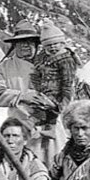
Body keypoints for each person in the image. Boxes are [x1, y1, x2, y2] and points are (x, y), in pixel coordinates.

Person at [29, 22, 81, 164]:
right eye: (48, 45)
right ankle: (38, 130)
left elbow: (67, 82)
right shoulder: (43, 57)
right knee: (38, 109)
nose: (52, 48)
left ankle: (50, 131)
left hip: (58, 93)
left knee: (52, 112)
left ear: (62, 43)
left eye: (55, 44)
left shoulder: (66, 60)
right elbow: (36, 71)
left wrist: (63, 102)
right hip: (44, 90)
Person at [0, 19, 42, 151]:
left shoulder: (48, 65)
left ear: (36, 44)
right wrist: (22, 96)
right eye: (21, 42)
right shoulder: (5, 67)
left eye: (29, 42)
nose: (25, 45)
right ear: (15, 45)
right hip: (18, 127)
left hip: (47, 128)